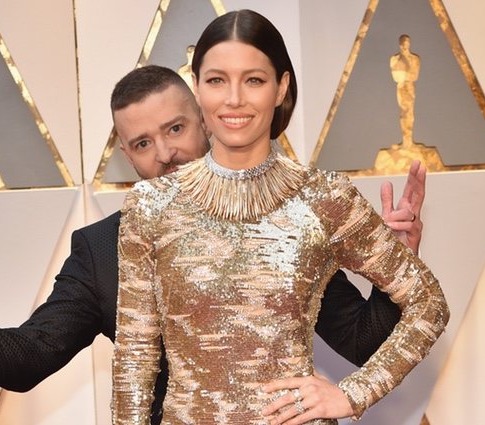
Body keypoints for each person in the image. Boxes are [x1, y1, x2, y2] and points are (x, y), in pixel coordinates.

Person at [0, 65, 425, 423]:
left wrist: (394, 270)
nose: (164, 153)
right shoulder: (100, 250)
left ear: (206, 124)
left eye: (176, 129)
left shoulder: (287, 219)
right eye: (142, 142)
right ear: (127, 157)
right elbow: (29, 355)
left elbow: (359, 342)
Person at [111, 11, 447, 425]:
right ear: (197, 87)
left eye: (253, 80)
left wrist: (353, 394)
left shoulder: (324, 197)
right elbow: (136, 354)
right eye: (217, 80)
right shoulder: (150, 206)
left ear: (281, 87)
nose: (234, 99)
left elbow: (428, 303)